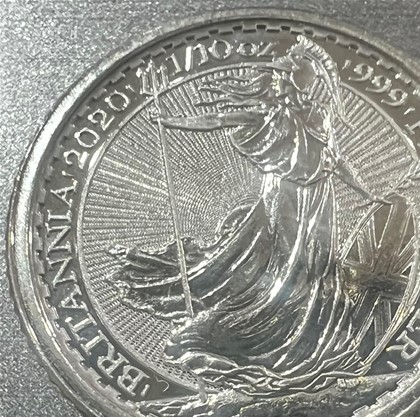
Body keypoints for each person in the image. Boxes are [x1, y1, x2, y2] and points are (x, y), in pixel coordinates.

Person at [110, 36, 380, 396]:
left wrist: (366, 193)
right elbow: (219, 118)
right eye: (291, 74)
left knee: (316, 265)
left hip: (317, 197)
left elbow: (335, 161)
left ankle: (308, 329)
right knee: (285, 262)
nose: (291, 80)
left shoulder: (318, 116)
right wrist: (171, 121)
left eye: (299, 75)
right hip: (285, 194)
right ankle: (268, 324)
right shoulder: (270, 113)